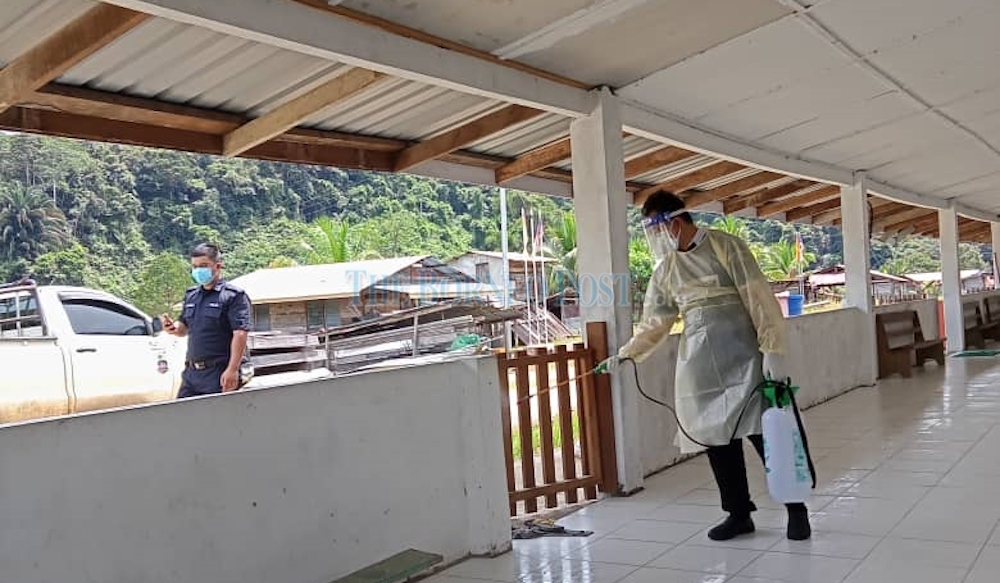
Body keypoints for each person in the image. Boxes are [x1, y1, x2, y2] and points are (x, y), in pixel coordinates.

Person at [602, 189, 811, 542]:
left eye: (658, 230)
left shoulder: (725, 247)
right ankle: (738, 513)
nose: (656, 240)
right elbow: (656, 321)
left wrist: (772, 349)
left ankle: (796, 508)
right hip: (699, 361)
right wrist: (627, 353)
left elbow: (758, 298)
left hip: (745, 354)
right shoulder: (666, 270)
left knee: (767, 432)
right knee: (716, 437)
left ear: (676, 221)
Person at [162, 243, 253, 398]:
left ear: (217, 266)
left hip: (218, 373)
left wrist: (232, 370)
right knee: (181, 418)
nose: (198, 270)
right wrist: (173, 328)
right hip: (191, 374)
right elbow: (183, 326)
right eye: (195, 266)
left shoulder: (233, 296)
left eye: (203, 265)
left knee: (217, 420)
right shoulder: (191, 295)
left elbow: (240, 334)